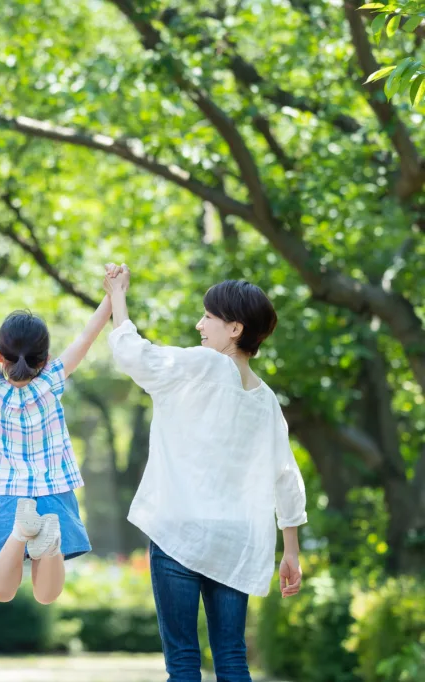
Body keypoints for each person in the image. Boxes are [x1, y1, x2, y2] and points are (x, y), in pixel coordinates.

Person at [103, 263, 307, 682]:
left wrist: (117, 294)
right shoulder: (267, 400)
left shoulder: (201, 366)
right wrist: (291, 551)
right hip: (235, 539)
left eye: (208, 317)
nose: (200, 325)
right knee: (232, 657)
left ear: (235, 328)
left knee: (182, 661)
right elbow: (286, 475)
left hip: (179, 531)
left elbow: (132, 353)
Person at [0, 281, 111, 604]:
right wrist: (113, 295)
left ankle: (19, 532)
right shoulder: (53, 379)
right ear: (45, 358)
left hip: (9, 491)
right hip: (56, 487)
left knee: (1, 591)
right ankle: (48, 542)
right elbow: (87, 335)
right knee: (47, 595)